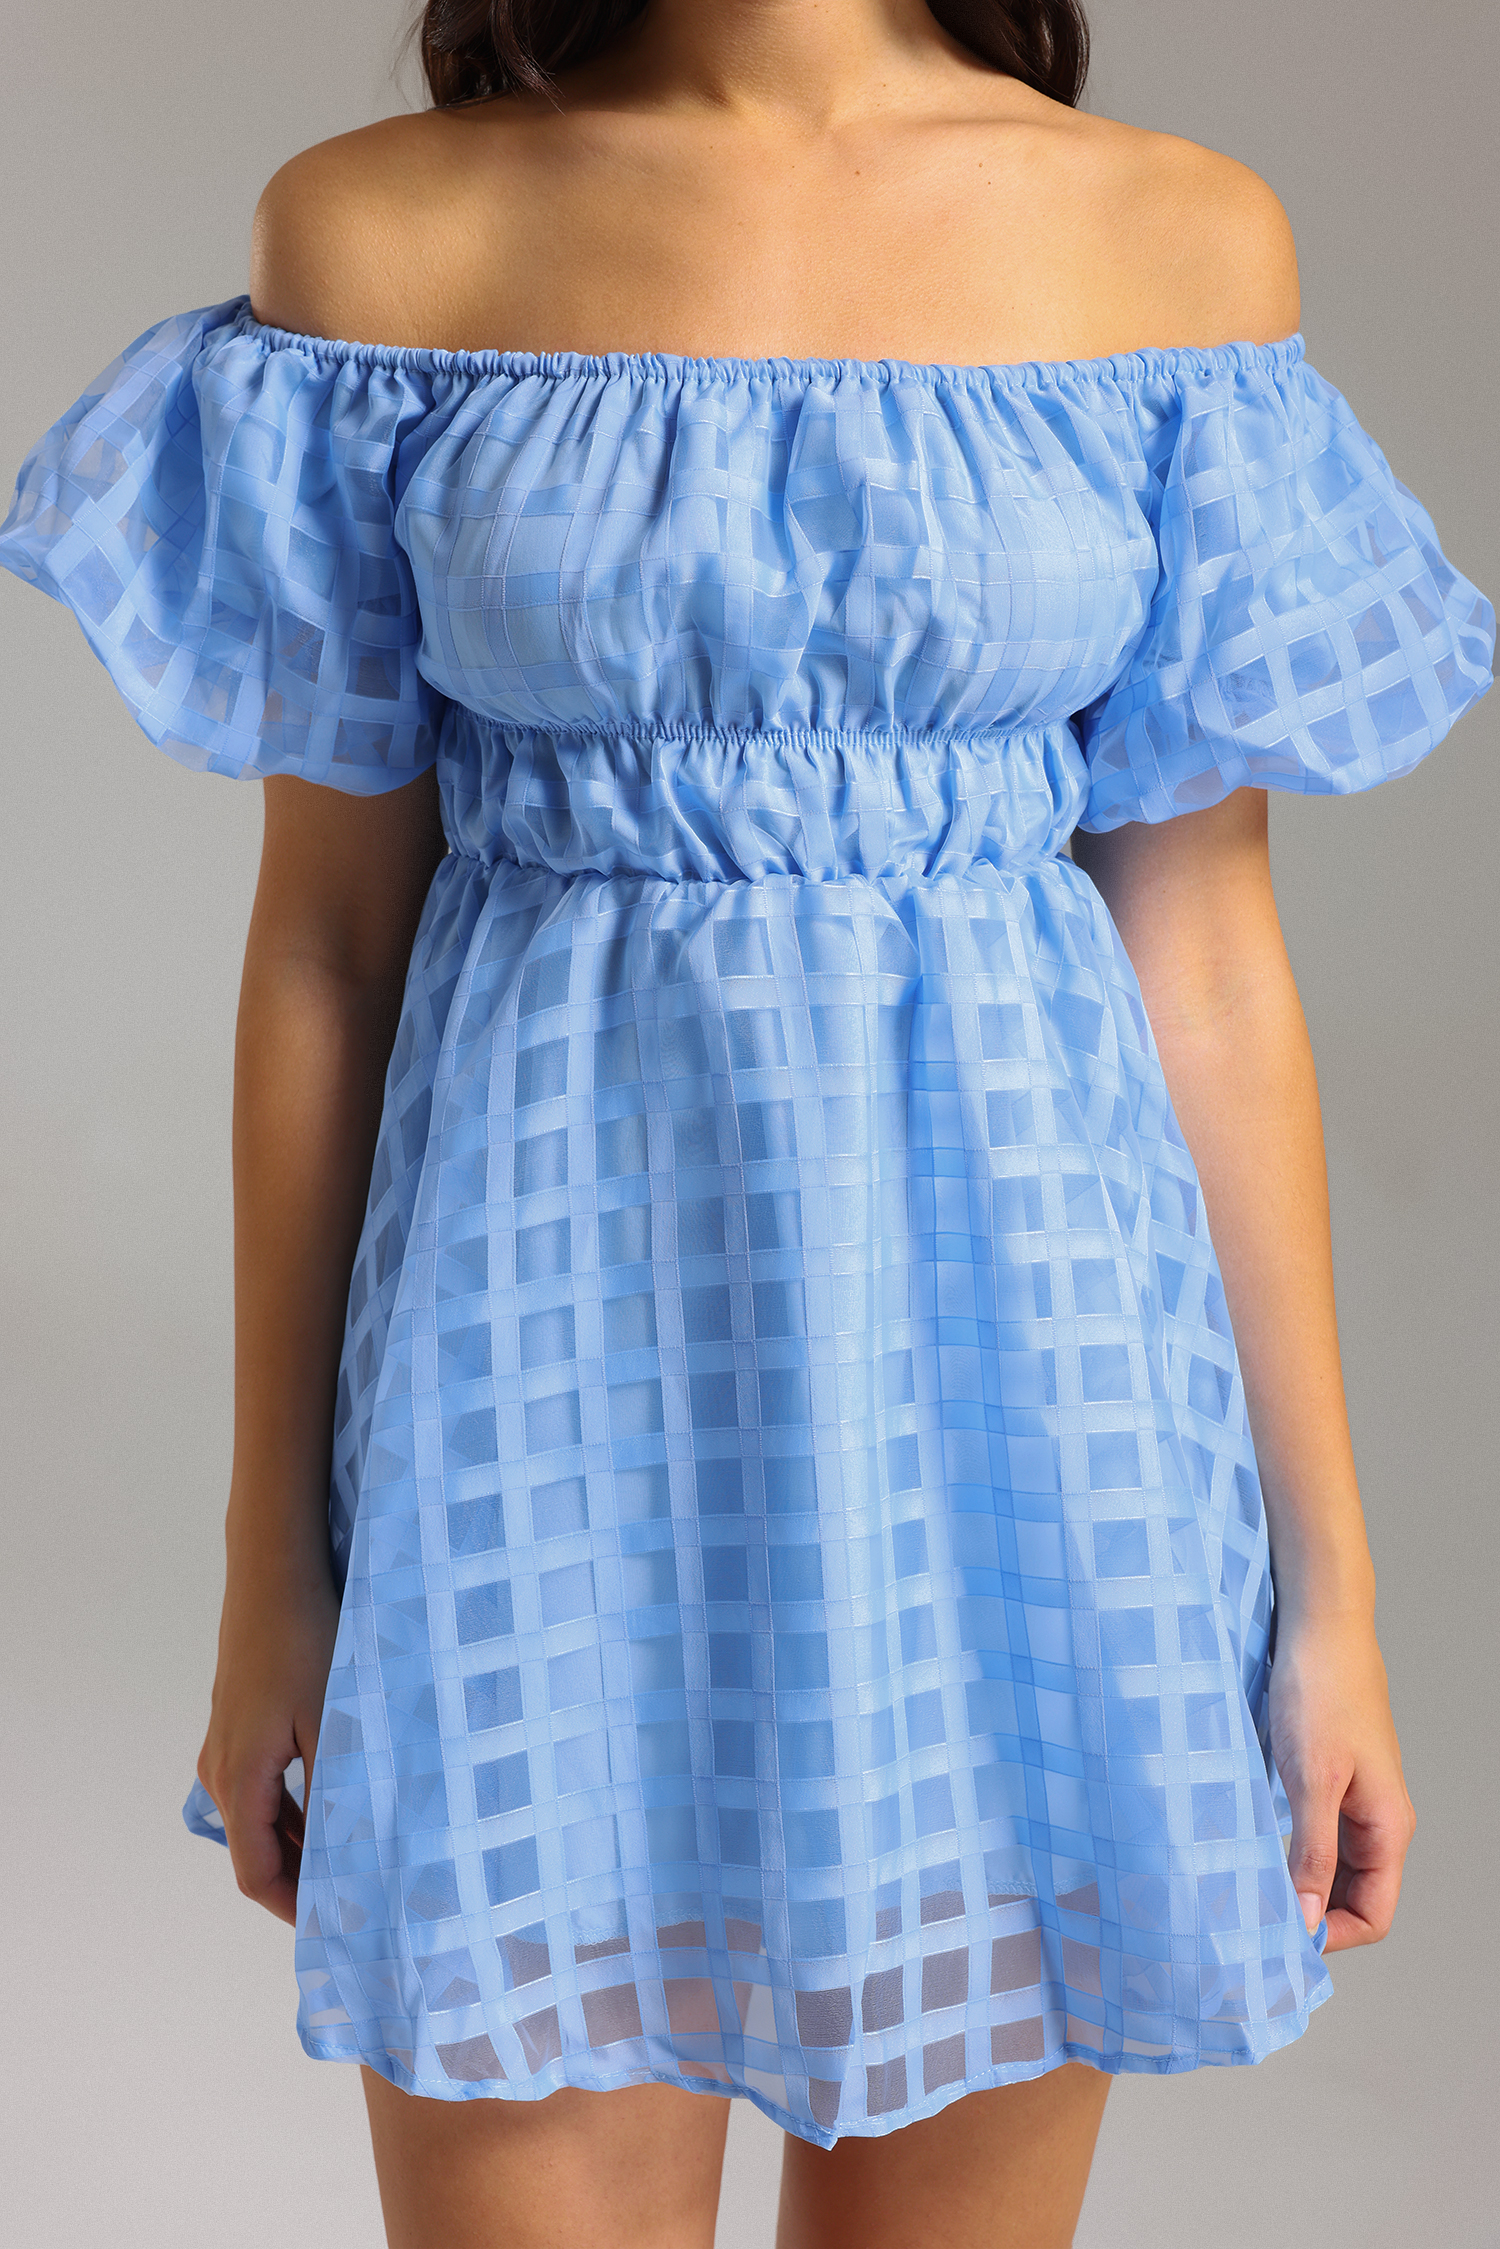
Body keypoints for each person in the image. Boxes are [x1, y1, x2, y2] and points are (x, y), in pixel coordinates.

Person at [0, 2, 1491, 2244]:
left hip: (1036, 1435)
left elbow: (1202, 958)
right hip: (533, 1439)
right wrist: (270, 1564)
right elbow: (327, 948)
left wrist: (1332, 1602)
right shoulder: (383, 242)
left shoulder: (1175, 242)